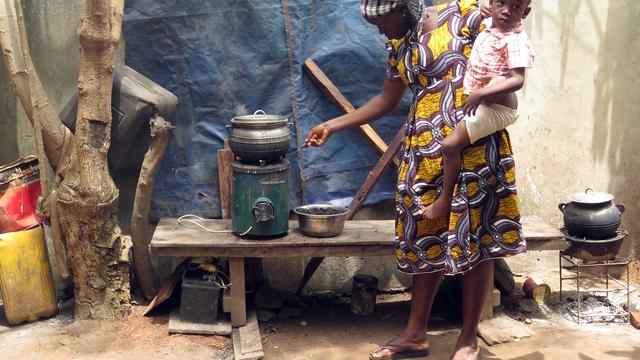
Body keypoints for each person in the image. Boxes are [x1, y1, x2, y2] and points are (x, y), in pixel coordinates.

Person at [305, 0, 527, 359]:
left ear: (404, 9)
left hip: (473, 144)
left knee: (476, 240)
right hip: (423, 152)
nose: (380, 30)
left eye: (383, 22)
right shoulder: (399, 44)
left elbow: (507, 39)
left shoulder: (465, 15)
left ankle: (468, 340)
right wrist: (333, 125)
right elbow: (386, 101)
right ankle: (414, 334)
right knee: (424, 238)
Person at [423, 0, 534, 220]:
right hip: (487, 101)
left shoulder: (515, 40)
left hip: (497, 107)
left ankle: (444, 200)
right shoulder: (490, 25)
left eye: (516, 7)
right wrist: (482, 7)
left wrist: (480, 94)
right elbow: (480, 10)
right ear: (492, 3)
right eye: (501, 3)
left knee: (449, 146)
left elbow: (518, 80)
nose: (506, 11)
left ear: (525, 12)